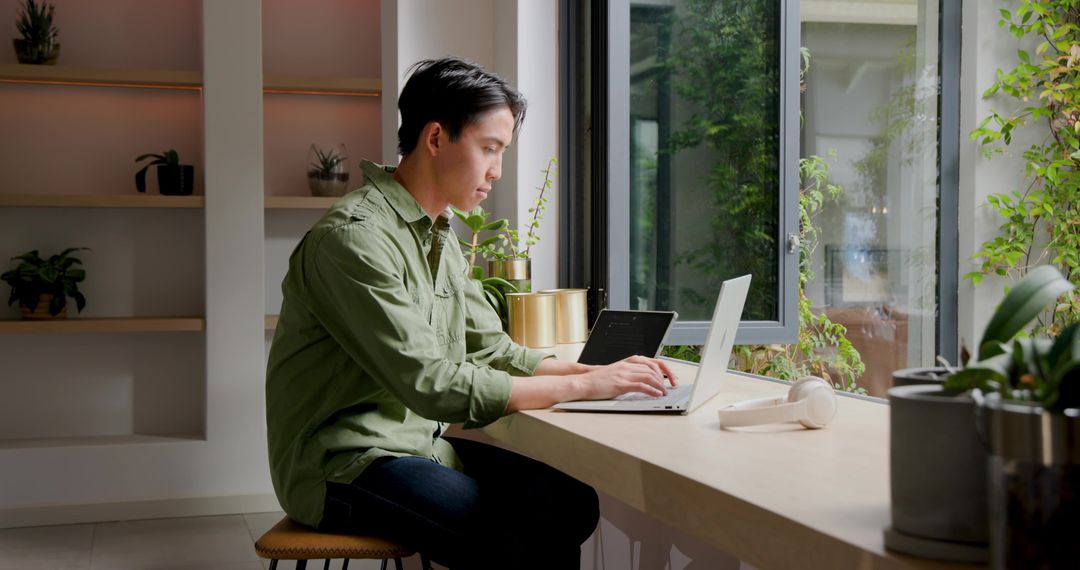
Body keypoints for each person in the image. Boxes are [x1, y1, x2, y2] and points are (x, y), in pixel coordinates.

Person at [265, 57, 676, 569]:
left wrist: (598, 372)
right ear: (436, 138)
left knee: (571, 505)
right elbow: (431, 383)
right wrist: (585, 387)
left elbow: (492, 348)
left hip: (417, 446)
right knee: (512, 538)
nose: (497, 170)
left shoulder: (442, 239)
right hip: (343, 463)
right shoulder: (354, 240)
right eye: (489, 149)